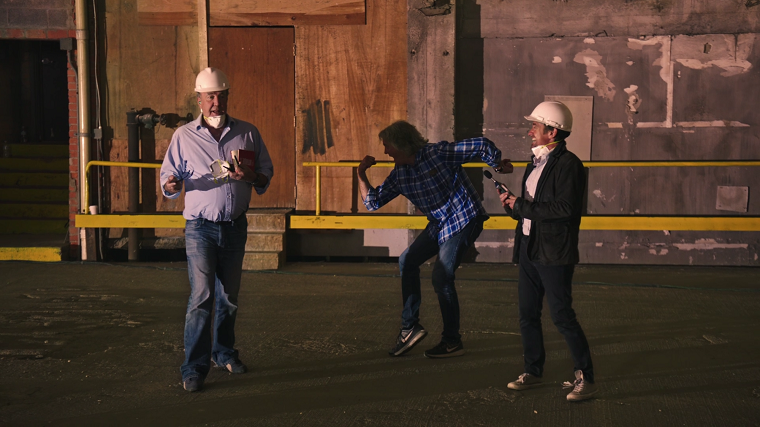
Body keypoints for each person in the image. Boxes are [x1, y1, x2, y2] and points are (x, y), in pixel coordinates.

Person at [358, 120, 513, 358]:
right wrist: (360, 173)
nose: (386, 151)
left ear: (402, 144)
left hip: (464, 218)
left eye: (388, 146)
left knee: (441, 276)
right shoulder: (400, 174)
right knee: (406, 261)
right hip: (440, 223)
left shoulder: (437, 153)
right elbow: (372, 202)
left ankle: (452, 341)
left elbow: (480, 145)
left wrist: (497, 165)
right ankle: (409, 328)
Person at [160, 67, 274, 392]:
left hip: (235, 226)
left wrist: (250, 177)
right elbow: (169, 179)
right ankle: (193, 369)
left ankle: (223, 352)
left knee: (229, 296)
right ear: (198, 99)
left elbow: (265, 172)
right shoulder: (183, 136)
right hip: (200, 228)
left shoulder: (248, 133)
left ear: (227, 96)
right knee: (202, 296)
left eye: (221, 95)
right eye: (210, 96)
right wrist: (170, 184)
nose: (216, 102)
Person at [499, 101, 596, 401]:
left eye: (535, 127)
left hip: (554, 253)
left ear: (552, 132)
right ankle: (533, 370)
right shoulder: (536, 161)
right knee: (527, 314)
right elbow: (535, 209)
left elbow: (565, 209)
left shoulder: (569, 165)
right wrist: (513, 206)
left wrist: (522, 205)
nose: (530, 131)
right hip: (530, 247)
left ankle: (586, 378)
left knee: (562, 315)